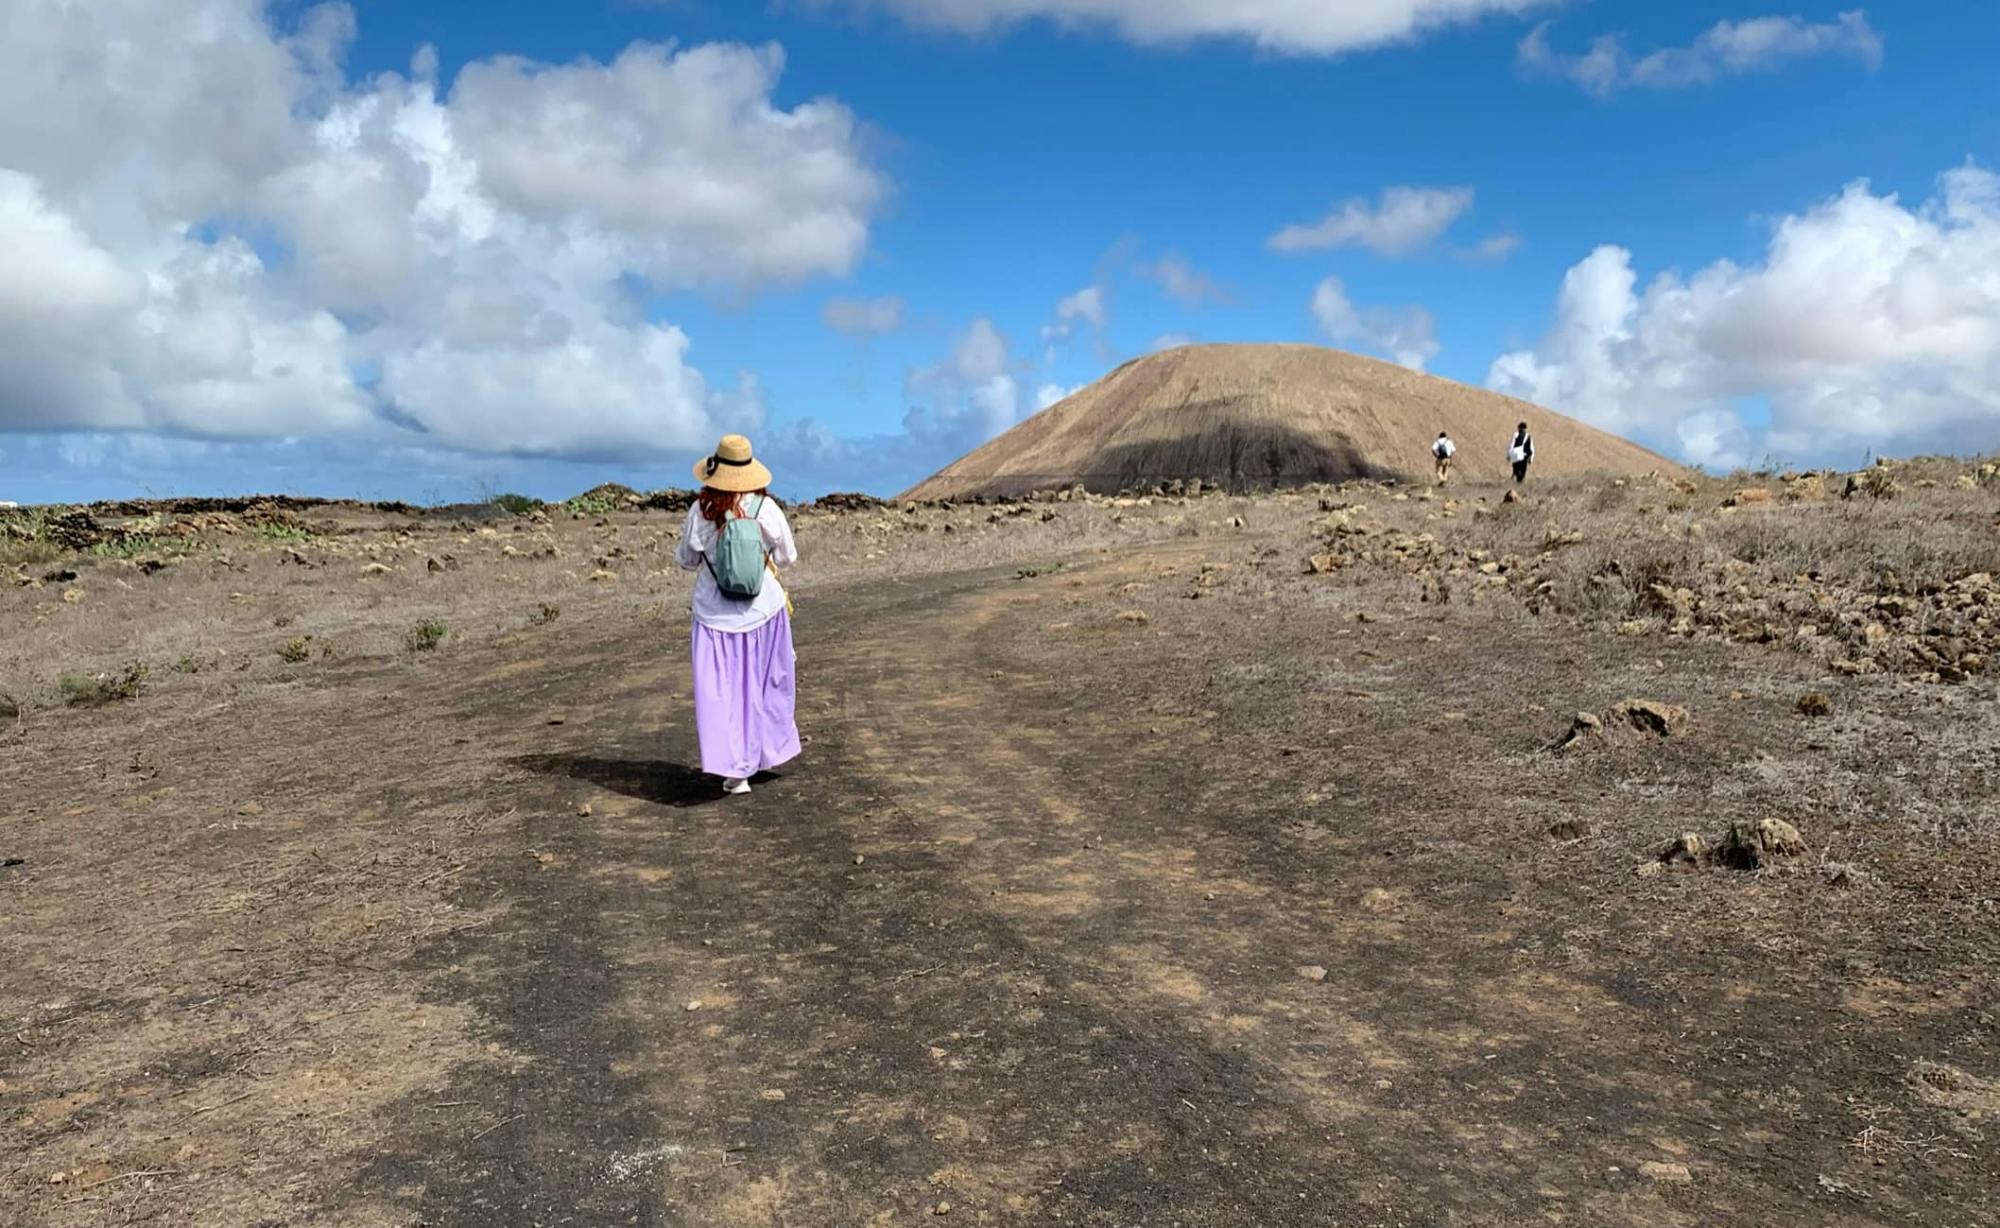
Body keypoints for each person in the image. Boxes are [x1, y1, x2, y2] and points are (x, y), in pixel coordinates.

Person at [675, 434, 801, 795]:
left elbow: (686, 560)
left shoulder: (700, 511)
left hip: (714, 617)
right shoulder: (767, 509)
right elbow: (787, 557)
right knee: (766, 685)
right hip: (764, 611)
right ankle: (764, 754)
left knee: (722, 695)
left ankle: (735, 771)